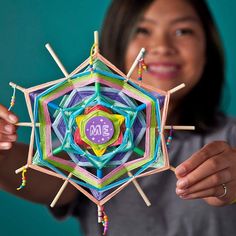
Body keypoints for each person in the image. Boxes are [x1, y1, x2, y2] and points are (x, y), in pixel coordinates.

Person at [0, 0, 236, 235]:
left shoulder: (230, 139)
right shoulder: (91, 143)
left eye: (182, 31)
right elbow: (50, 174)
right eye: (142, 30)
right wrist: (3, 154)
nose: (162, 46)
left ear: (208, 48)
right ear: (117, 44)